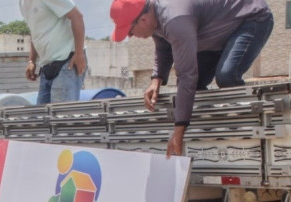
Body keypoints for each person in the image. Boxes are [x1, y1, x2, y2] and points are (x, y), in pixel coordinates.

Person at [109, 0, 273, 157]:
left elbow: (187, 76)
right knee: (197, 84)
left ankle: (251, 133)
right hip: (215, 35)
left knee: (226, 76)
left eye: (130, 31)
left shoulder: (175, 18)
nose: (130, 36)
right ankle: (212, 132)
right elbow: (163, 48)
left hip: (250, 19)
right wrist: (156, 79)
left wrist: (178, 131)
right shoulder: (155, 16)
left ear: (143, 19)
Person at [20, 0, 87, 104]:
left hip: (67, 61)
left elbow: (77, 16)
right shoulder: (23, 3)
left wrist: (79, 53)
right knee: (42, 112)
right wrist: (31, 61)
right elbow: (35, 31)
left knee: (61, 112)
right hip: (46, 65)